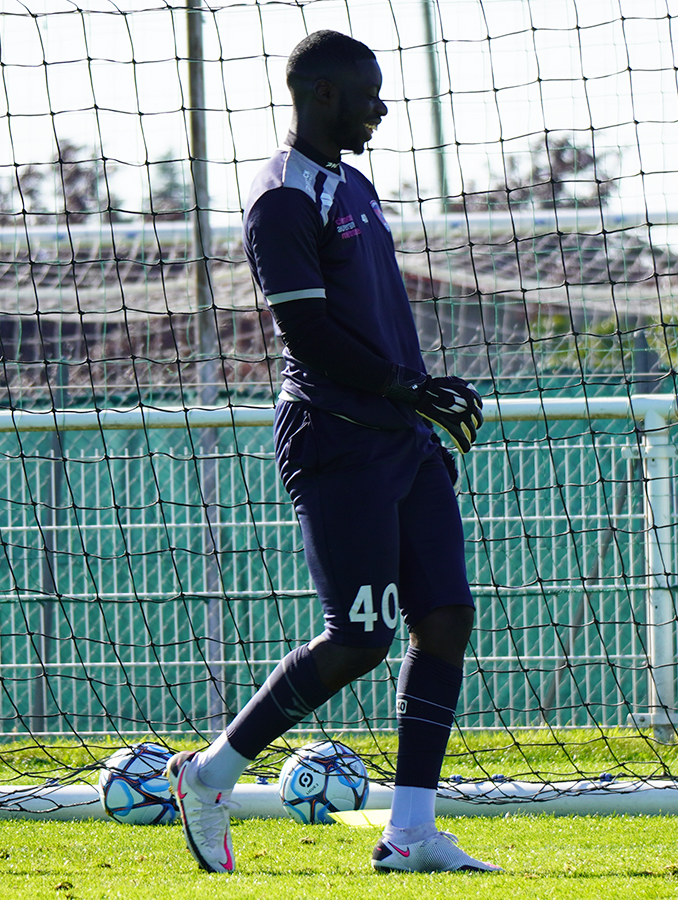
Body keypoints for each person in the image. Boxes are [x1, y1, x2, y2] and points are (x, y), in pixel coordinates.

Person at [164, 30, 500, 875]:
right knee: (359, 638)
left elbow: (376, 315)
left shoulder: (355, 183)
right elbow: (307, 333)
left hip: (400, 437)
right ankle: (210, 776)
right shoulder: (280, 199)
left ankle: (412, 832)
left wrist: (417, 407)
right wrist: (406, 390)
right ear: (321, 95)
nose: (381, 107)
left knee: (447, 618)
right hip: (334, 437)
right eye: (367, 93)